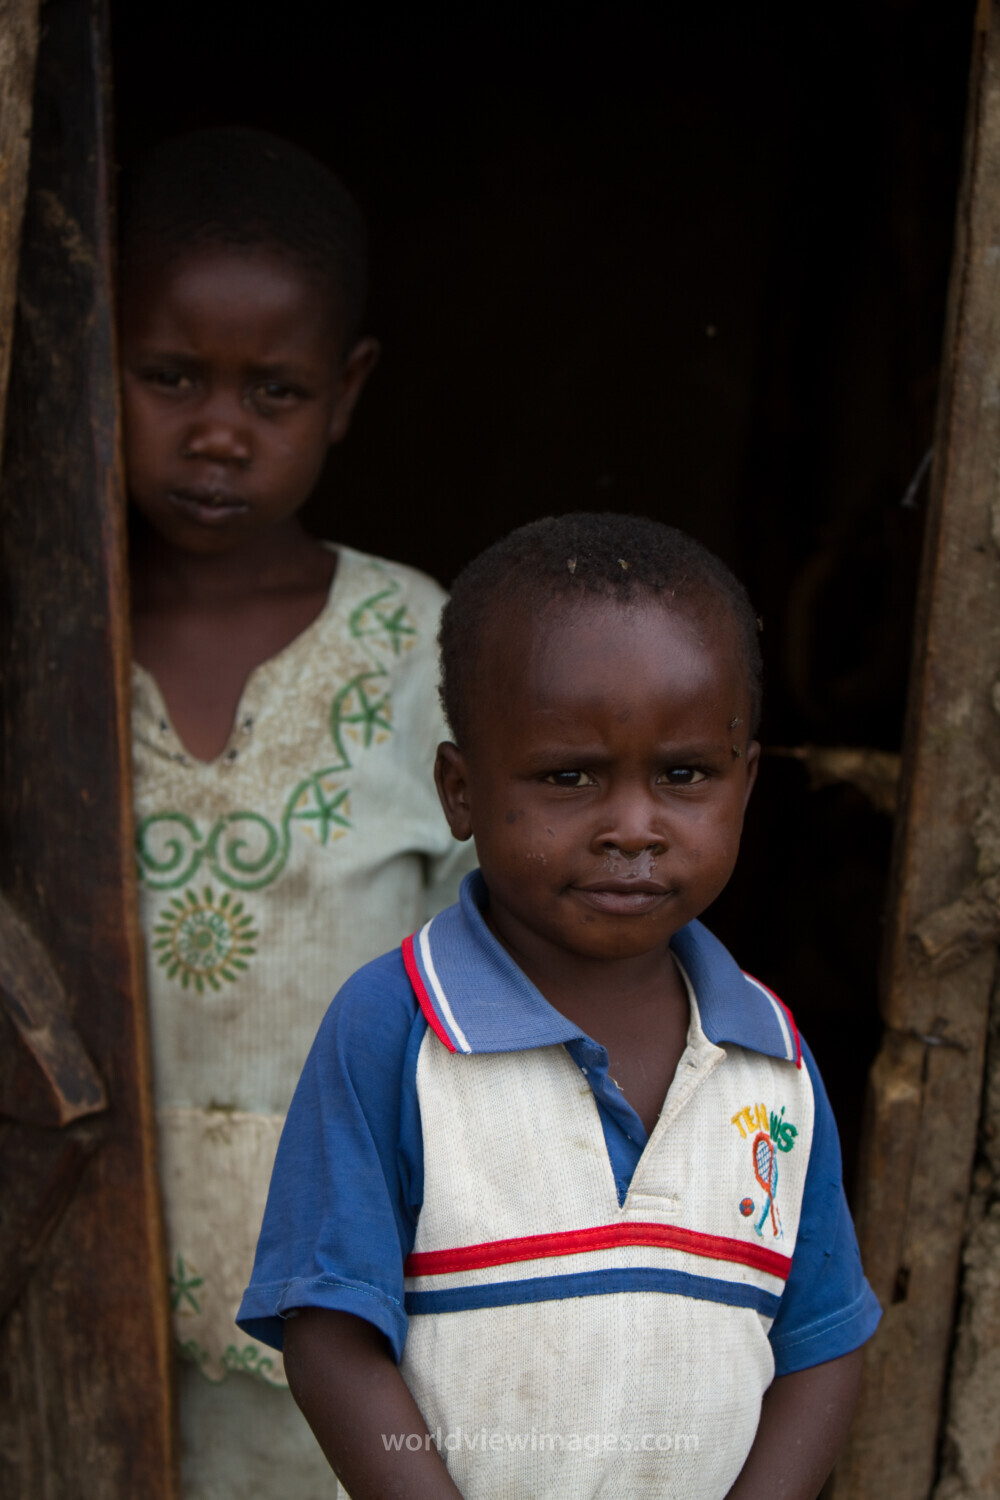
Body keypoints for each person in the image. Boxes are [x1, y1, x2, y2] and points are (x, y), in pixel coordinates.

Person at [237, 511, 882, 1500]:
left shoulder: (773, 1061)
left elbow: (822, 1344)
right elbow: (330, 1334)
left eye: (683, 776)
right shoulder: (394, 1030)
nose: (633, 827)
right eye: (567, 776)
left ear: (745, 787)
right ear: (460, 790)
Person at [120, 127, 475, 1498]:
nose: (218, 431)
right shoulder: (43, 643)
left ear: (348, 389)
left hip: (347, 1310)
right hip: (74, 1293)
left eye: (273, 390)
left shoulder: (416, 647)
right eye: (168, 378)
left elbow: (499, 974)